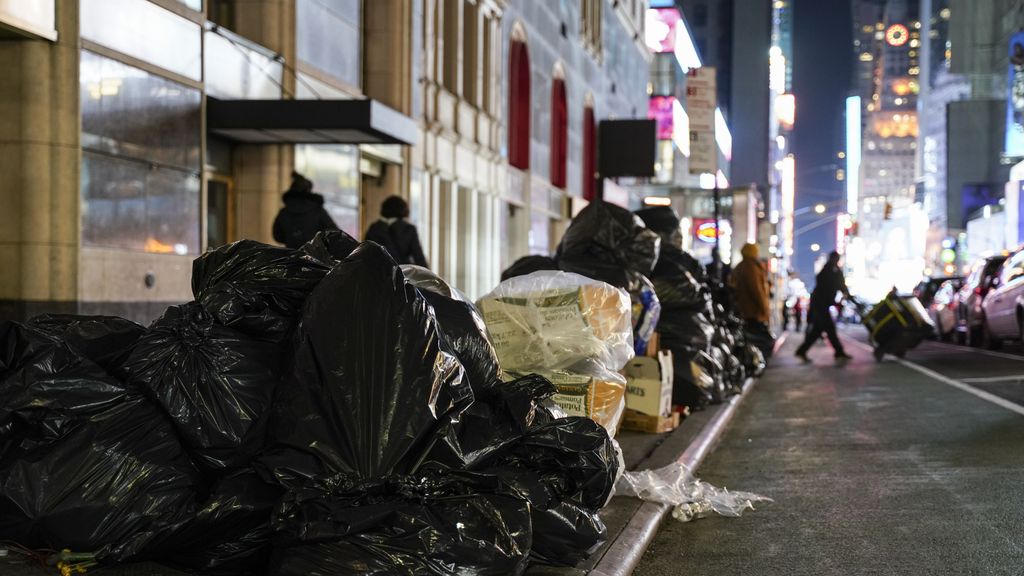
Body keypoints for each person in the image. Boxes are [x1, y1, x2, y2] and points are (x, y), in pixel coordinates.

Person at [795, 251, 853, 363]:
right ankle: (839, 352)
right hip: (821, 305)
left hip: (820, 304)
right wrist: (845, 293)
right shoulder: (831, 271)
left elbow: (838, 285)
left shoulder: (828, 270)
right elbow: (839, 285)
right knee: (829, 329)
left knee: (817, 331)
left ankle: (802, 351)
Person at [272, 172, 338, 249]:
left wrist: (292, 239)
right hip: (315, 255)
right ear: (308, 191)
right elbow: (333, 233)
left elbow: (277, 236)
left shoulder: (284, 212)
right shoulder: (317, 210)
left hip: (292, 255)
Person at [364, 196, 428, 267]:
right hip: (403, 272)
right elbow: (419, 257)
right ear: (403, 210)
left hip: (378, 273)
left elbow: (365, 254)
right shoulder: (409, 229)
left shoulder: (374, 228)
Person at [730, 243, 771, 326]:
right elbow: (757, 290)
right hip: (753, 311)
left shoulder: (740, 266)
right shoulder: (751, 267)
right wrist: (765, 309)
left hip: (743, 309)